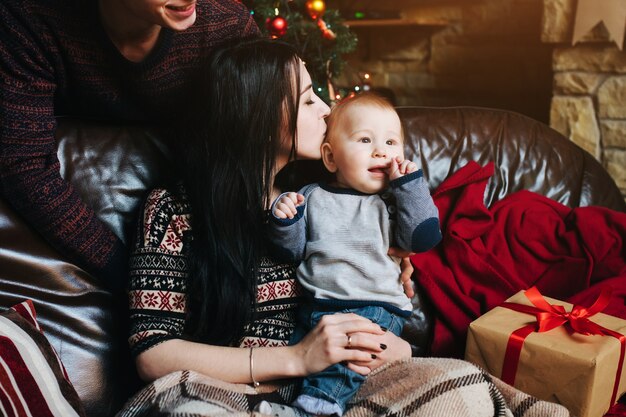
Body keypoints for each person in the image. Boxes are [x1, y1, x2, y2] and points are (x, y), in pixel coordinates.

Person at [122, 37, 571, 417]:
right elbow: (153, 355)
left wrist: (394, 346)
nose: (326, 109)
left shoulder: (326, 199)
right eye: (308, 99)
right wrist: (297, 358)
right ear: (255, 114)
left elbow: (372, 296)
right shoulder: (174, 209)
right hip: (231, 396)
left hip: (342, 387)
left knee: (462, 391)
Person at [0, 0, 259, 291]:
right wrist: (132, 275)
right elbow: (23, 165)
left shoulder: (227, 25)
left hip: (202, 241)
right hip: (67, 248)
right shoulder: (28, 17)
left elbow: (258, 153)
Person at [262, 92, 442, 417]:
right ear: (330, 158)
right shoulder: (311, 196)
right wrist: (285, 220)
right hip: (315, 305)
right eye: (365, 140)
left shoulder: (393, 201)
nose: (381, 151)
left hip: (373, 306)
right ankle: (285, 402)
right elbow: (289, 252)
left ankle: (317, 409)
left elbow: (424, 238)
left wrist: (411, 186)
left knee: (349, 362)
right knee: (293, 366)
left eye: (391, 142)